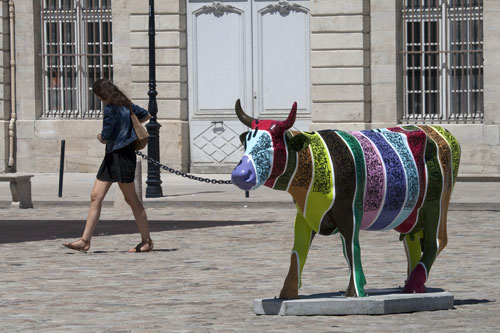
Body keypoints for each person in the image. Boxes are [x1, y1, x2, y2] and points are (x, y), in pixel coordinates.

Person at [63, 79, 154, 253]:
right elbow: (146, 115)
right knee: (95, 196)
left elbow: (106, 135)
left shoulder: (111, 109)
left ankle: (147, 241)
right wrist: (129, 129)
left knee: (132, 199)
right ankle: (85, 241)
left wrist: (101, 136)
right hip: (113, 156)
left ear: (101, 94)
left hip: (121, 156)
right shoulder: (127, 105)